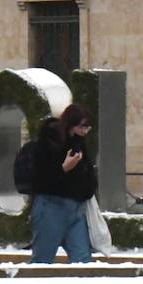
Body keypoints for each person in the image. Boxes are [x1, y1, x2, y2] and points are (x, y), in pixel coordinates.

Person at [29, 103, 97, 264]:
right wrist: (64, 168)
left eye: (88, 126)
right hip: (51, 206)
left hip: (76, 208)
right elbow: (40, 180)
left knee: (83, 260)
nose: (86, 130)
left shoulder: (79, 142)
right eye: (83, 126)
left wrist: (89, 188)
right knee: (42, 260)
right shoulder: (48, 143)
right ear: (71, 124)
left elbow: (86, 173)